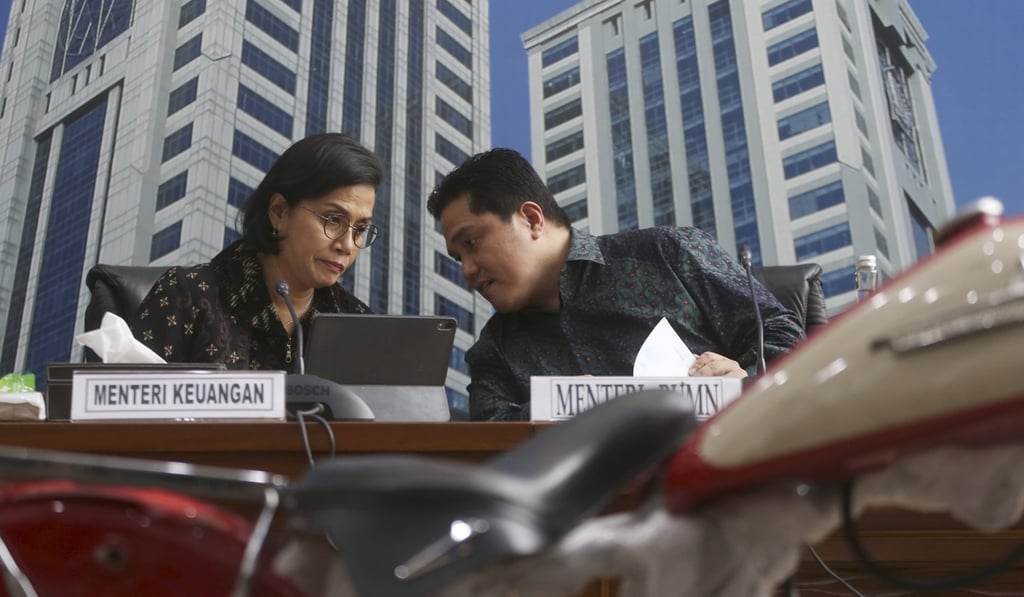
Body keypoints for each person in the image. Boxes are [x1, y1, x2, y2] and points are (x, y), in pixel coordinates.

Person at [427, 148, 805, 421]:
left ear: (531, 219)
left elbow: (782, 334)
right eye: (458, 257)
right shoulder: (493, 351)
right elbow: (486, 443)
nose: (468, 271)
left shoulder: (668, 254)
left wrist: (747, 378)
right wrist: (563, 405)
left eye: (472, 242)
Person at [132, 133, 383, 370]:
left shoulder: (359, 325)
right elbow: (128, 406)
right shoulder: (189, 296)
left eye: (360, 229)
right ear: (279, 211)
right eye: (333, 220)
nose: (347, 245)